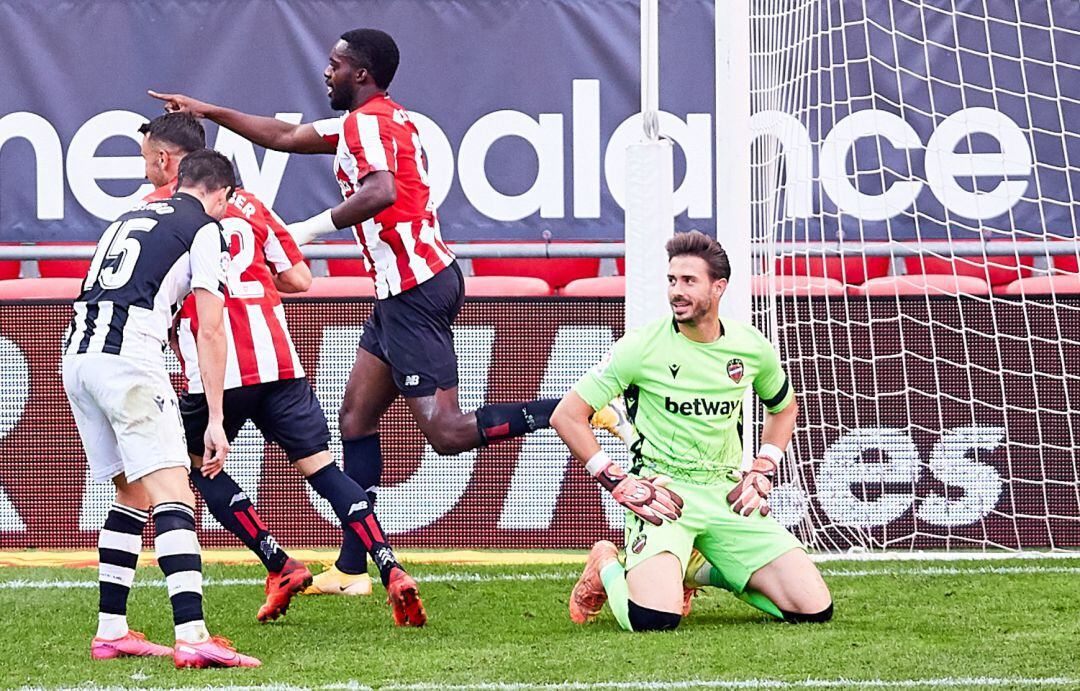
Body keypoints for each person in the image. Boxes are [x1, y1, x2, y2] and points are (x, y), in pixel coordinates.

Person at [149, 28, 625, 595]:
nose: (325, 73)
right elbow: (284, 135)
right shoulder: (376, 120)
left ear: (362, 74)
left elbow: (380, 191)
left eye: (334, 65)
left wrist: (305, 230)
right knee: (355, 420)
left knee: (446, 433)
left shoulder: (366, 124)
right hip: (407, 287)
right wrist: (209, 111)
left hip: (414, 289)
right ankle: (353, 568)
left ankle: (569, 410)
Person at [138, 112, 425, 626]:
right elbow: (299, 278)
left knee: (197, 466)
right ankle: (390, 566)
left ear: (165, 161)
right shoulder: (250, 204)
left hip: (216, 368)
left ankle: (277, 561)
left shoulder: (157, 210)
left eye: (146, 162)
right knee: (322, 468)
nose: (146, 172)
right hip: (280, 359)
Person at [550, 230, 833, 632]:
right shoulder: (642, 347)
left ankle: (694, 567)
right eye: (671, 281)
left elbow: (784, 408)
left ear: (719, 288)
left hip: (725, 494)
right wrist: (615, 481)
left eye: (688, 281)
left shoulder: (750, 348)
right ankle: (607, 563)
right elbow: (567, 415)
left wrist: (765, 466)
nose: (676, 292)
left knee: (813, 611)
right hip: (665, 495)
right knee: (653, 621)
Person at [63, 148, 260, 667]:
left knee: (131, 491)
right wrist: (216, 419)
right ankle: (193, 637)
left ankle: (110, 632)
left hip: (78, 358)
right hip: (129, 362)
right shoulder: (208, 228)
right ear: (222, 193)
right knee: (177, 497)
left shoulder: (129, 214)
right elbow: (210, 326)